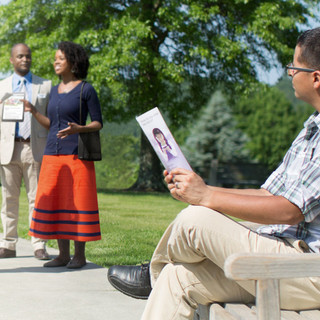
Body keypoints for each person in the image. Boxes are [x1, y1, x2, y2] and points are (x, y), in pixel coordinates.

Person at [107, 27, 320, 319]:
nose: (289, 73)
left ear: (316, 78)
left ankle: (151, 273)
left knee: (196, 218)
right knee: (177, 278)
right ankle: (160, 274)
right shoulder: (312, 129)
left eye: (293, 67)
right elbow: (270, 194)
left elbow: (289, 211)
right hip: (282, 255)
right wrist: (203, 189)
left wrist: (205, 197)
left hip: (308, 270)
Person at [27, 41, 103, 269]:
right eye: (55, 58)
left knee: (77, 203)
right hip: (52, 155)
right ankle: (62, 255)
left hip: (76, 155)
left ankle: (79, 256)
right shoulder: (54, 91)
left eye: (60, 58)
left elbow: (98, 122)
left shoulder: (86, 89)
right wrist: (33, 111)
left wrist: (79, 128)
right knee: (57, 203)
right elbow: (52, 124)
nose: (55, 62)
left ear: (73, 61)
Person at [0, 43, 51, 260]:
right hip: (8, 148)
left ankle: (39, 244)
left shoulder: (45, 85)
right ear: (12, 59)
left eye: (28, 56)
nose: (25, 60)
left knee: (37, 199)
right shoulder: (2, 86)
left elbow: (51, 118)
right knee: (8, 198)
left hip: (35, 147)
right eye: (20, 56)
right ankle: (8, 244)